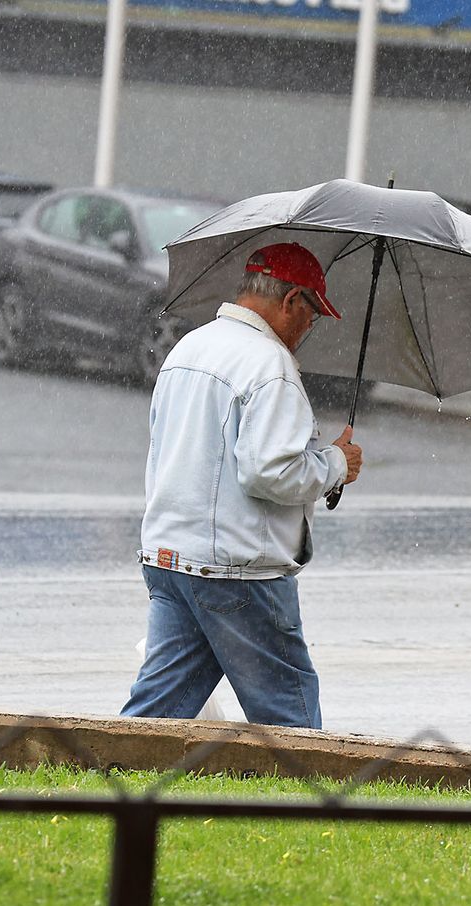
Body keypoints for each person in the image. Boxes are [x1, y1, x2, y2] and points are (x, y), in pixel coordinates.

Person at [120, 242, 363, 730]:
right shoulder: (269, 367)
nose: (309, 328)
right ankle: (306, 803)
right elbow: (268, 471)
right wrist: (336, 463)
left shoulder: (189, 347)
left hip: (169, 558)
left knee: (156, 716)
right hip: (237, 571)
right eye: (312, 314)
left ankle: (112, 788)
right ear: (291, 300)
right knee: (288, 713)